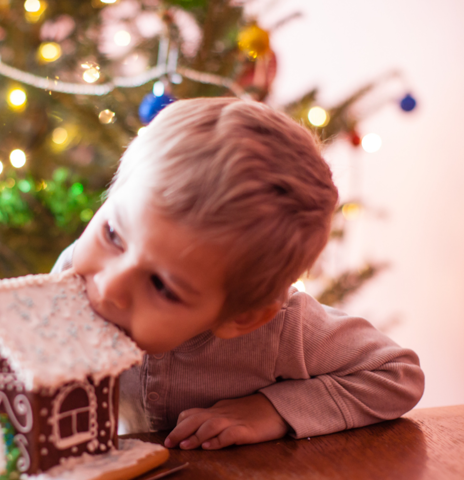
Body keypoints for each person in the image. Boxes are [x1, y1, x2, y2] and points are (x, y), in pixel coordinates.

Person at [52, 97, 424, 450]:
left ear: (242, 315)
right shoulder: (69, 279)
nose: (107, 285)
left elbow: (397, 374)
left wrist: (274, 410)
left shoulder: (282, 331)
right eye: (113, 234)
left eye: (163, 287)